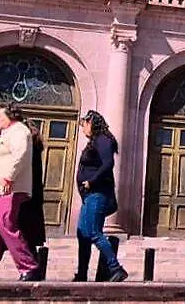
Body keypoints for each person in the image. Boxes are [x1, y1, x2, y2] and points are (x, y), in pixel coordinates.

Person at [0, 104, 41, 281]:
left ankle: (29, 266)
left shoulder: (19, 131)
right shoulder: (8, 134)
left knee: (7, 225)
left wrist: (9, 177)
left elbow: (21, 155)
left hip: (8, 187)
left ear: (10, 117)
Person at [72, 110, 127, 283]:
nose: (83, 129)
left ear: (92, 123)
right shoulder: (94, 142)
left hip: (98, 193)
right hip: (89, 196)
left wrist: (92, 181)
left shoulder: (103, 140)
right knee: (83, 234)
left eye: (84, 125)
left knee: (94, 232)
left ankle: (115, 268)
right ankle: (82, 273)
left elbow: (108, 164)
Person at [18, 122, 47, 256]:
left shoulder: (28, 148)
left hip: (26, 195)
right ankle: (33, 267)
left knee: (25, 235)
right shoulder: (35, 147)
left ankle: (32, 268)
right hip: (33, 195)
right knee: (28, 237)